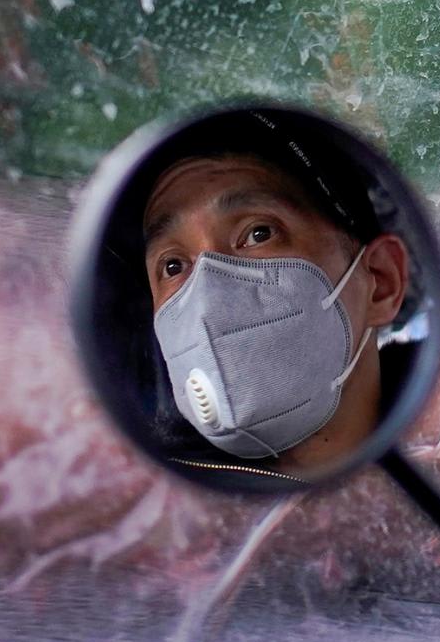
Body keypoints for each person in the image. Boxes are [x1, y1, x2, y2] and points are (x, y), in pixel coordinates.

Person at [125, 108, 412, 484]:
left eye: (258, 233)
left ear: (380, 281)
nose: (210, 300)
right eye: (174, 266)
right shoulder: (168, 512)